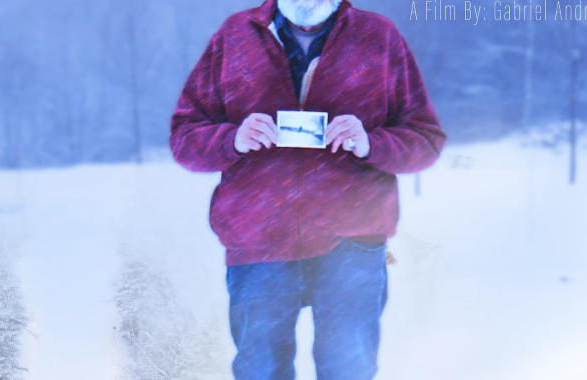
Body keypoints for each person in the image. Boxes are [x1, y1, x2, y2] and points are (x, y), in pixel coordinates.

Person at [170, 0, 446, 378]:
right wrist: (232, 139)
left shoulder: (378, 37)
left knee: (347, 370)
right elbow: (185, 138)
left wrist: (371, 144)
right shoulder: (235, 36)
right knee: (259, 370)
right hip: (258, 238)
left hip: (353, 241)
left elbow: (425, 140)